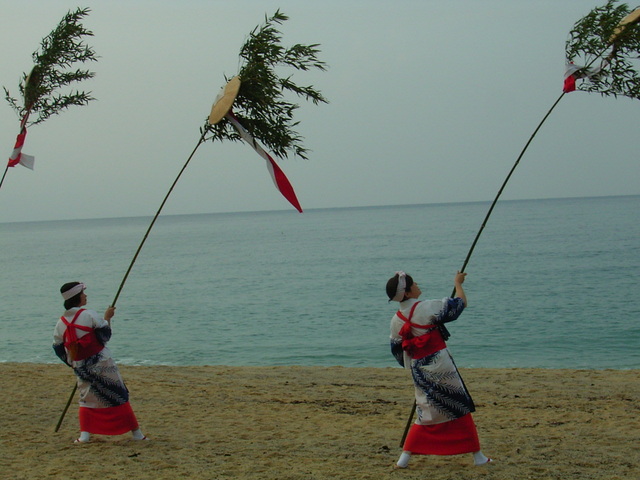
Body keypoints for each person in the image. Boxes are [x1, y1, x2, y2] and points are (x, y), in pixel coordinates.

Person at [386, 270, 491, 468]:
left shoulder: (396, 319)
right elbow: (459, 305)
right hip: (441, 364)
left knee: (425, 410)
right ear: (407, 293)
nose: (417, 284)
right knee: (458, 404)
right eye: (413, 283)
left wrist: (414, 367)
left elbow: (398, 351)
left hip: (419, 368)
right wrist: (458, 284)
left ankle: (405, 458)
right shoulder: (427, 307)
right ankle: (478, 456)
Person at [53, 282, 147, 444]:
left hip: (81, 365)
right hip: (102, 362)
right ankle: (136, 434)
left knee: (86, 398)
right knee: (118, 394)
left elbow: (58, 347)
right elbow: (105, 335)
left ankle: (85, 436)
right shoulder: (89, 314)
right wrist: (108, 318)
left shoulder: (61, 322)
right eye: (83, 293)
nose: (86, 295)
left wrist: (73, 362)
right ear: (77, 297)